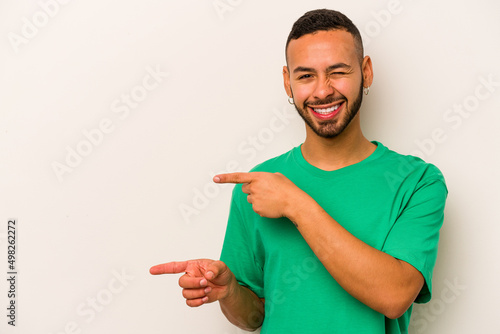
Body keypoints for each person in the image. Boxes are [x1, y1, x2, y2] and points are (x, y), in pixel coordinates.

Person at [150, 9, 447, 333]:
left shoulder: (418, 182)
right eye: (305, 76)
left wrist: (295, 204)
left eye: (337, 72)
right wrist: (230, 292)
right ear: (287, 82)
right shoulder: (256, 186)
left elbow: (393, 295)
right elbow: (255, 318)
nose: (322, 91)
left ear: (366, 72)